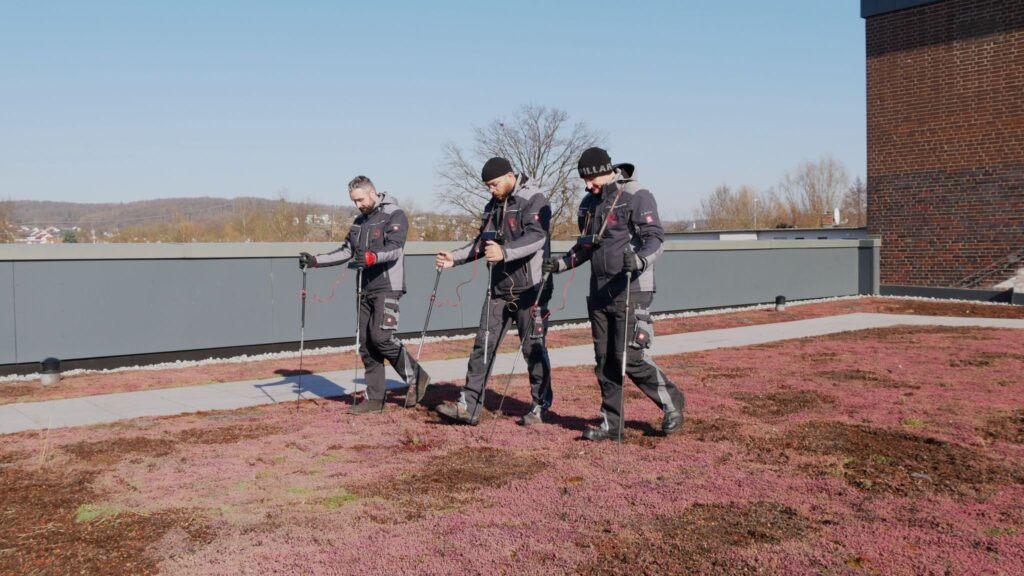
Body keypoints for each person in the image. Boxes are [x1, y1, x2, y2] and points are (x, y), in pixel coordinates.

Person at [543, 147, 685, 441]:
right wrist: (559, 264)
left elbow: (656, 239)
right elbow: (585, 247)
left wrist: (640, 260)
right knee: (605, 361)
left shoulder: (636, 194)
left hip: (632, 288)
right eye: (583, 180)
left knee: (629, 358)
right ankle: (611, 425)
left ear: (605, 171)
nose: (587, 186)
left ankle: (672, 402)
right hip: (599, 292)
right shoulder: (587, 204)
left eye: (590, 179)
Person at [433, 157, 554, 426]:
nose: (491, 189)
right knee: (482, 346)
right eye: (487, 185)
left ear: (510, 176)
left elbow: (537, 237)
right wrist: (455, 258)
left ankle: (540, 406)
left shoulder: (534, 199)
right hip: (498, 290)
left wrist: (505, 252)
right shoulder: (492, 205)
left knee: (533, 350)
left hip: (532, 289)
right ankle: (469, 407)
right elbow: (482, 242)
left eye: (494, 184)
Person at [298, 176, 430, 414]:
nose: (357, 205)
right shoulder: (359, 221)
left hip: (388, 286)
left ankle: (417, 377)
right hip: (364, 288)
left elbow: (395, 249)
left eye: (360, 200)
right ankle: (374, 399)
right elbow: (346, 251)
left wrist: (371, 257)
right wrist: (315, 261)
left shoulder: (394, 214)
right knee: (367, 345)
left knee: (381, 338)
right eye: (354, 201)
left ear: (372, 192)